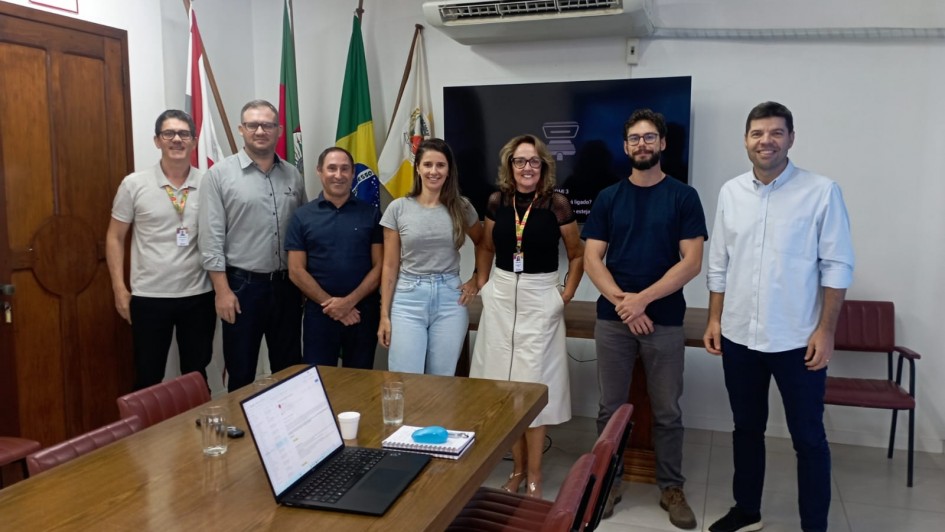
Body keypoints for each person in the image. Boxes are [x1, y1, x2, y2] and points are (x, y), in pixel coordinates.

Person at [703, 101, 854, 532]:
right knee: (746, 429)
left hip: (797, 341)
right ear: (746, 140)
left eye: (775, 132)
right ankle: (747, 510)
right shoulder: (731, 192)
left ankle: (814, 527)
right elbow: (719, 264)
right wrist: (714, 319)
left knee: (809, 439)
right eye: (757, 133)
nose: (765, 141)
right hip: (738, 337)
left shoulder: (821, 191)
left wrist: (826, 332)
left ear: (791, 137)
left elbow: (837, 266)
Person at [582, 109, 707, 529]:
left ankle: (671, 486)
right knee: (610, 409)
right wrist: (624, 302)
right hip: (614, 319)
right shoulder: (607, 197)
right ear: (625, 146)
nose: (642, 145)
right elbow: (591, 257)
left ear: (663, 144)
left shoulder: (683, 197)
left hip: (665, 319)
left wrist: (644, 301)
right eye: (634, 138)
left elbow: (691, 262)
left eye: (650, 137)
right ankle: (607, 481)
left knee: (668, 410)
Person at [470, 134, 584, 499]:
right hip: (501, 297)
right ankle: (516, 469)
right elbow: (486, 245)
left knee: (533, 391)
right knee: (504, 391)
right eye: (520, 161)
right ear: (510, 166)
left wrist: (564, 295)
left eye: (534, 161)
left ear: (544, 166)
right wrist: (484, 285)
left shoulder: (558, 204)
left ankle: (534, 474)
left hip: (540, 297)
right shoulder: (496, 201)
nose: (527, 168)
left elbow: (577, 254)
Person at [198, 99, 307, 392]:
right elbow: (210, 238)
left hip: (286, 287)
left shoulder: (293, 175)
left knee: (289, 368)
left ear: (279, 130)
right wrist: (222, 291)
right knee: (241, 370)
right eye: (253, 125)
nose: (260, 130)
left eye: (268, 125)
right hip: (241, 287)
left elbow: (302, 234)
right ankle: (241, 435)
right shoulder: (219, 175)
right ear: (241, 129)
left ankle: (287, 432)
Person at [106, 109, 216, 390]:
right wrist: (119, 289)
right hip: (149, 296)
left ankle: (195, 433)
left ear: (193, 141)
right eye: (169, 133)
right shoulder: (134, 184)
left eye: (184, 134)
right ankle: (148, 435)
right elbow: (115, 237)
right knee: (148, 374)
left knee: (195, 374)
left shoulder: (209, 183)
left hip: (198, 295)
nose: (176, 139)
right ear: (157, 141)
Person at [377, 138, 484, 375]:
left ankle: (437, 416)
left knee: (442, 381)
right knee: (405, 379)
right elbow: (390, 265)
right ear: (417, 167)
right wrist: (384, 316)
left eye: (440, 165)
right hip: (407, 299)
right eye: (427, 165)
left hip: (450, 299)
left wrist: (476, 279)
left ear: (449, 170)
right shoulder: (398, 208)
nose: (433, 171)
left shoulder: (462, 207)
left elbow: (484, 242)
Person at [285, 147, 382, 369]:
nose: (338, 175)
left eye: (344, 169)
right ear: (319, 171)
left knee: (360, 381)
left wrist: (348, 303)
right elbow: (296, 271)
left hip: (362, 313)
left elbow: (379, 266)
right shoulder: (302, 216)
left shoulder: (372, 214)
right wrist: (332, 305)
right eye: (331, 168)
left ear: (353, 174)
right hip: (319, 314)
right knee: (318, 380)